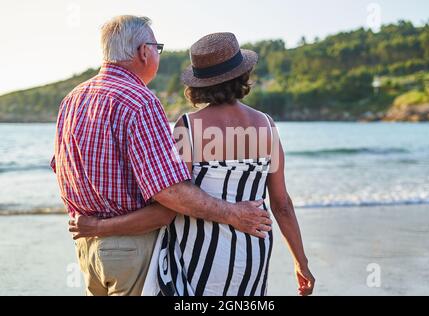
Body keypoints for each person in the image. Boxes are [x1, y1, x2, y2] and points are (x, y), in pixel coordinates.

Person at [70, 32, 315, 296]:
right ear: (242, 74)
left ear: (200, 83)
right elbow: (282, 205)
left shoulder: (188, 126)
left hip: (200, 251)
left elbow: (173, 197)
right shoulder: (267, 125)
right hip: (254, 248)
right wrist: (301, 262)